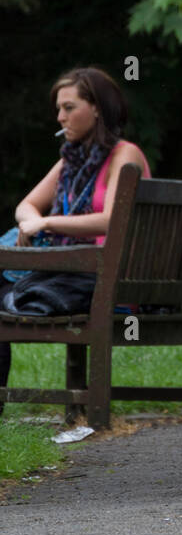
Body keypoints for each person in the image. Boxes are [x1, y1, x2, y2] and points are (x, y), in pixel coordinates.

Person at [1, 68, 150, 409]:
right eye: (59, 109)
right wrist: (34, 223)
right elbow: (26, 206)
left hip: (106, 280)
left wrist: (50, 223)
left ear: (96, 108)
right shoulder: (70, 160)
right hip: (73, 273)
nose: (60, 116)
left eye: (69, 107)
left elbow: (114, 219)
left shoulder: (124, 154)